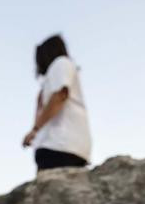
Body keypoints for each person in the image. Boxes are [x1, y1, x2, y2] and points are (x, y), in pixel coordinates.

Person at [22, 34, 92, 171]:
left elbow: (60, 95)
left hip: (58, 146)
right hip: (70, 147)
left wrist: (35, 129)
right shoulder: (56, 73)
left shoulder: (60, 63)